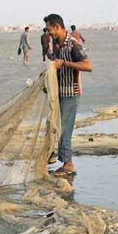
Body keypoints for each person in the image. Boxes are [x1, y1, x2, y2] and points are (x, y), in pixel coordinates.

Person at [44, 13, 93, 177]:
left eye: (50, 29)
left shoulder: (73, 44)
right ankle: (53, 155)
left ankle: (68, 164)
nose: (49, 32)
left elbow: (88, 66)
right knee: (54, 125)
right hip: (58, 93)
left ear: (58, 27)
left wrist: (64, 63)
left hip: (70, 93)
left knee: (65, 128)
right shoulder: (55, 44)